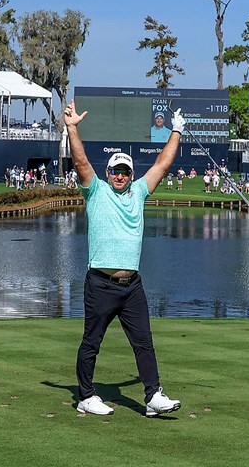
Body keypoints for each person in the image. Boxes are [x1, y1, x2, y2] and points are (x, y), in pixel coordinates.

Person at [65, 99, 182, 418]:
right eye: (116, 170)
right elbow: (81, 162)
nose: (120, 175)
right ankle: (85, 396)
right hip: (100, 284)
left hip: (132, 287)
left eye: (125, 170)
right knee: (92, 341)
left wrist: (176, 131)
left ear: (131, 174)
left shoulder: (141, 192)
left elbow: (162, 164)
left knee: (144, 342)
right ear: (108, 172)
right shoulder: (96, 191)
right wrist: (72, 128)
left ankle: (153, 396)